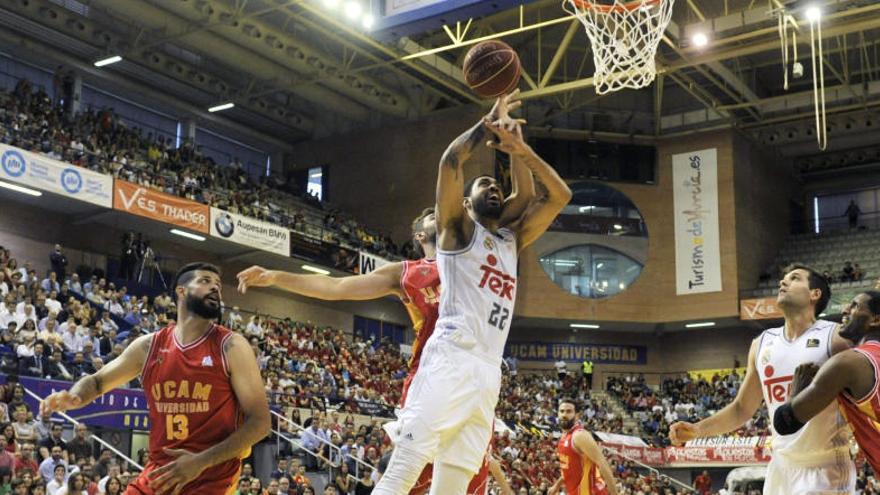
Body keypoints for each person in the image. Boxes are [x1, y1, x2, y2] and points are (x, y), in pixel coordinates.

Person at [373, 88, 571, 494]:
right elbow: (450, 161)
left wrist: (519, 148)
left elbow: (558, 196)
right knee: (404, 469)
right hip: (450, 358)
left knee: (454, 485)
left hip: (487, 371)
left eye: (497, 185)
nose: (493, 187)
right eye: (483, 184)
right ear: (465, 202)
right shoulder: (456, 230)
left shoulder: (512, 240)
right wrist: (488, 124)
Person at [40, 262, 271, 494]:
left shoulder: (231, 345)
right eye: (205, 281)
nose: (215, 289)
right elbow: (97, 381)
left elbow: (261, 423)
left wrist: (200, 461)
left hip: (212, 478)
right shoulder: (149, 346)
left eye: (218, 285)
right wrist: (75, 396)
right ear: (181, 291)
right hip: (160, 473)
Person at [669, 265, 855, 494]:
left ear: (814, 294)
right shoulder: (762, 343)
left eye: (794, 279)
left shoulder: (836, 338)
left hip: (825, 467)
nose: (783, 283)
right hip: (780, 467)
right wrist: (698, 430)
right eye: (783, 279)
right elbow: (741, 409)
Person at [774, 291, 880, 476]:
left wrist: (797, 389)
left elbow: (785, 422)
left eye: (855, 305)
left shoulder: (848, 363)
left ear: (875, 320)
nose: (846, 309)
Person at [548, 399, 617, 495]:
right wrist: (557, 485)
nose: (564, 415)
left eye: (569, 411)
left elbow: (603, 464)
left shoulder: (579, 435)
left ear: (577, 415)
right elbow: (568, 469)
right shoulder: (564, 436)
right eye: (562, 411)